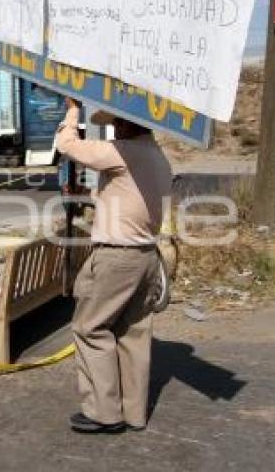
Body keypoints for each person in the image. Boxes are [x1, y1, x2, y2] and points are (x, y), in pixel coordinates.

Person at [55, 98, 172, 434]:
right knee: (133, 333)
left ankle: (104, 413)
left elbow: (67, 144)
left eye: (118, 122)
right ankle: (134, 412)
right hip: (145, 255)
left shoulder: (122, 151)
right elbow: (128, 199)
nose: (114, 129)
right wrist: (89, 196)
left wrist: (73, 109)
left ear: (129, 123)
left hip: (116, 257)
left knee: (90, 328)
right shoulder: (157, 157)